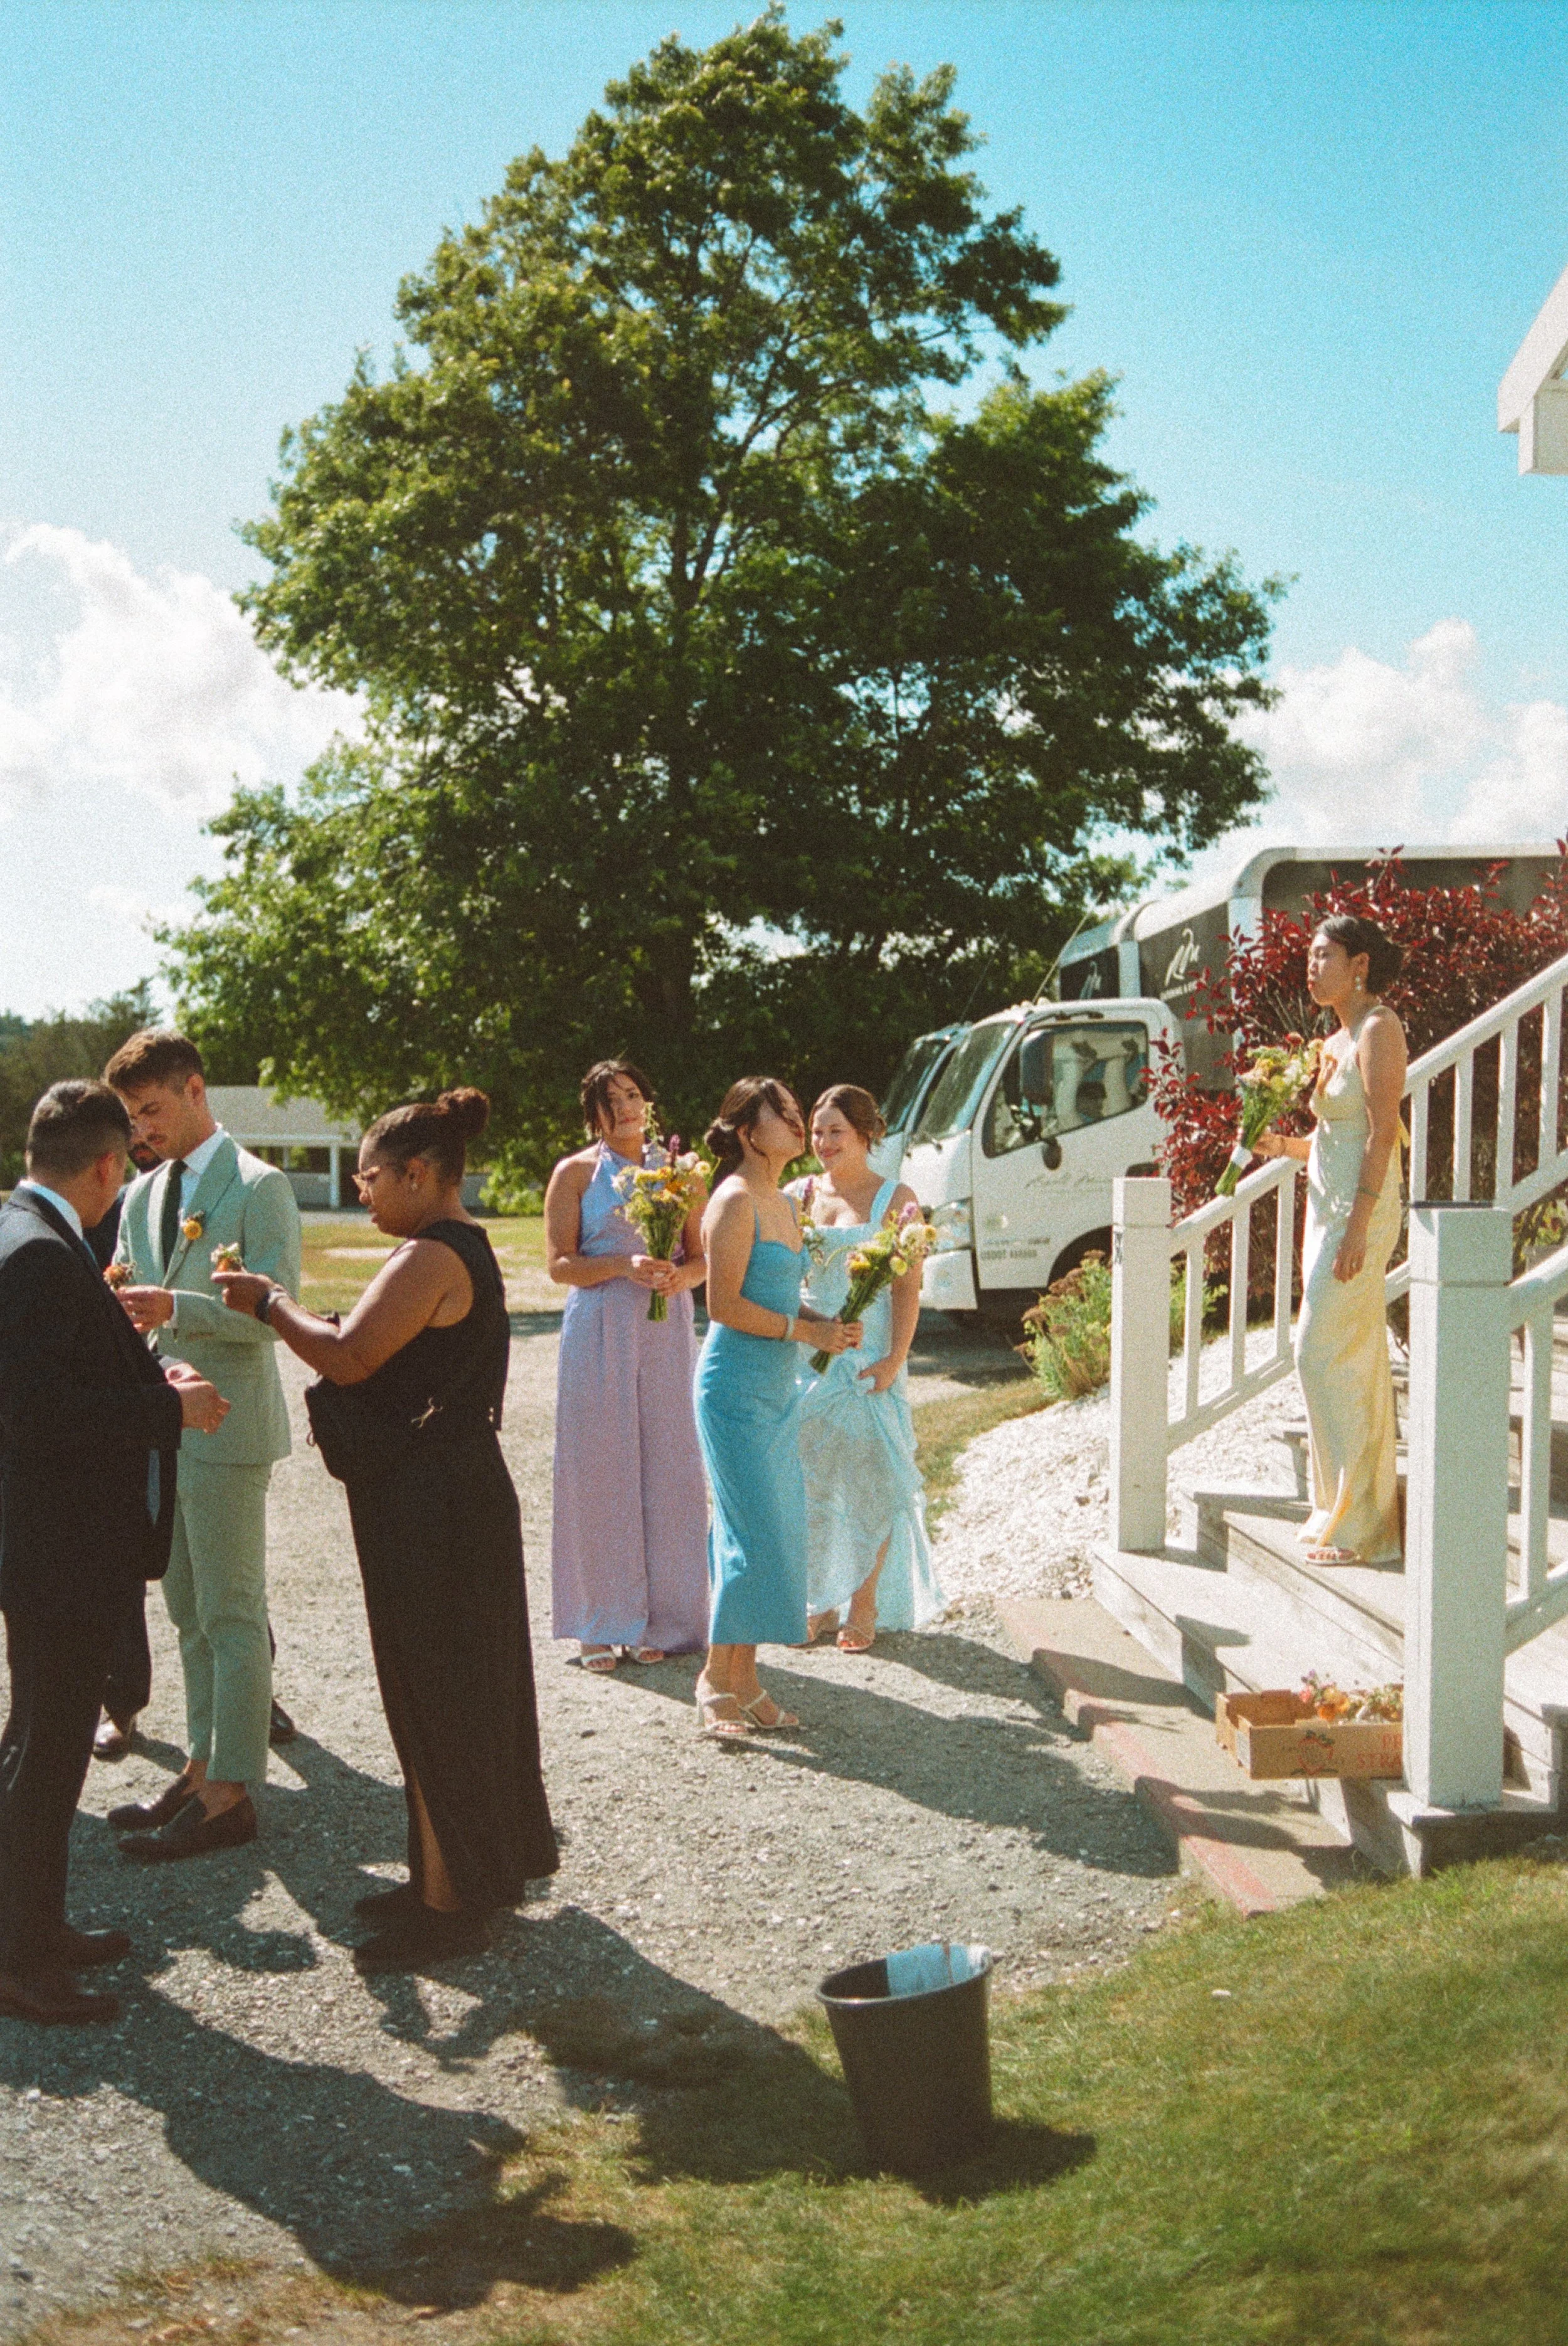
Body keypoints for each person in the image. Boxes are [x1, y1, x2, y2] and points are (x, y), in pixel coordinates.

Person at [214, 1087, 558, 1970]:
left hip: (434, 1502)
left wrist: (267, 1303)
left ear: (418, 1173)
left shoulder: (433, 1256)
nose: (362, 1191)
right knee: (443, 1689)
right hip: (451, 1489)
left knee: (437, 1692)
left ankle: (452, 1905)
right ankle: (446, 1874)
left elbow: (351, 1356)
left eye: (370, 1176)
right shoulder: (450, 1250)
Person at [0, 1082, 225, 2025]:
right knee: (47, 1752)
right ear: (104, 1165)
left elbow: (55, 1374)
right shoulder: (44, 1257)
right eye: (123, 1164)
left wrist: (145, 1368)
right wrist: (168, 1406)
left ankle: (35, 1928)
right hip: (58, 1545)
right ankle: (19, 1959)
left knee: (36, 1740)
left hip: (41, 1540)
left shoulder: (21, 1230)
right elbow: (43, 1417)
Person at [103, 1029, 302, 1860]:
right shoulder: (143, 1193)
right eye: (130, 1117)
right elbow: (121, 1282)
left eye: (150, 1110)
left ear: (195, 1090)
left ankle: (233, 1793)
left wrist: (175, 1311)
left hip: (229, 1424)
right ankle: (198, 1764)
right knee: (185, 1609)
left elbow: (274, 1316)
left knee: (231, 1611)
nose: (141, 1130)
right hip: (166, 1425)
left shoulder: (261, 1186)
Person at [692, 1078, 861, 1739]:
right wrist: (805, 1334)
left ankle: (747, 1681)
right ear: (745, 1131)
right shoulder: (733, 1200)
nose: (798, 1122)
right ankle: (713, 1680)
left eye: (797, 1112)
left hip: (775, 1391)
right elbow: (724, 1307)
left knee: (777, 1534)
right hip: (732, 1390)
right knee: (749, 1536)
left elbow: (782, 1300)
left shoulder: (785, 1204)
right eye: (783, 1114)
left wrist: (826, 1323)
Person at [1253, 914, 1407, 1564]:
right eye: (1310, 957)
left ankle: (1361, 1522)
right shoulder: (1334, 1037)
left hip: (1360, 1211)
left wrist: (1357, 1225)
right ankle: (1341, 1510)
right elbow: (1333, 1138)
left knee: (1317, 1351)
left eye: (1324, 955)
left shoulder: (1379, 1029)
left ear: (1360, 963)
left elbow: (1379, 1132)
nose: (1312, 966)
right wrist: (1279, 1144)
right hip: (1327, 1207)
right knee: (1347, 1355)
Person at [546, 1060, 710, 1673]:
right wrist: (621, 1265)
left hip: (665, 1327)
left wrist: (677, 1274)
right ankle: (598, 1621)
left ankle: (663, 1621)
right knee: (599, 1469)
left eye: (633, 1094)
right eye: (609, 1101)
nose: (624, 1108)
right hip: (599, 1326)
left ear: (649, 1101)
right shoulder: (576, 1172)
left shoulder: (681, 1172)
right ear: (592, 1115)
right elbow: (560, 1265)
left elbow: (702, 1260)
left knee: (669, 1470)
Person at [788, 1085, 942, 1651]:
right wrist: (809, 1327)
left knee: (874, 1476)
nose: (823, 1143)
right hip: (809, 1352)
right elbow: (780, 1279)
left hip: (871, 1353)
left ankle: (865, 1602)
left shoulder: (894, 1198)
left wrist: (894, 1359)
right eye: (817, 1131)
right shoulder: (797, 1195)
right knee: (812, 1478)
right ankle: (819, 1600)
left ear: (865, 1135)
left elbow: (907, 1288)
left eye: (836, 1132)